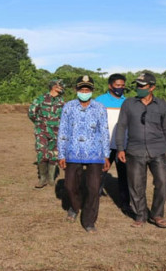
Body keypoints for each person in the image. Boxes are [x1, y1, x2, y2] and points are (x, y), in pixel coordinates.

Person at [115, 72, 166, 228]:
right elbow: (121, 127)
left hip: (158, 150)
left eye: (143, 86)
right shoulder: (128, 104)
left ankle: (157, 215)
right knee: (136, 185)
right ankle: (140, 215)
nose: (139, 88)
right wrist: (120, 148)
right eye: (138, 85)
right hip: (134, 151)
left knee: (163, 183)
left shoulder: (161, 104)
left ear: (152, 87)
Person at [58, 75, 110, 233]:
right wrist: (61, 154)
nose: (84, 92)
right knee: (69, 185)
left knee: (94, 188)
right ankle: (75, 206)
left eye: (87, 89)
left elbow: (104, 132)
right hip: (73, 152)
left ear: (92, 91)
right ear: (76, 90)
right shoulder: (68, 107)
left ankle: (89, 221)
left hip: (95, 153)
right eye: (82, 89)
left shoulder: (100, 108)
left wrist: (106, 154)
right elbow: (63, 131)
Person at [95, 73, 132, 213]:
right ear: (110, 86)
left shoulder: (128, 102)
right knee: (99, 173)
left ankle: (125, 202)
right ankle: (94, 197)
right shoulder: (99, 101)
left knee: (124, 175)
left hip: (122, 145)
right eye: (117, 85)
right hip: (104, 145)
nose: (120, 88)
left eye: (123, 85)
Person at [28, 79, 65, 188]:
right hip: (42, 131)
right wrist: (40, 124)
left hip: (56, 131)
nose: (62, 87)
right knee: (42, 153)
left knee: (54, 154)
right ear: (54, 86)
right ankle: (42, 179)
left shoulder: (62, 101)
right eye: (60, 85)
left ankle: (51, 179)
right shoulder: (40, 99)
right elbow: (31, 113)